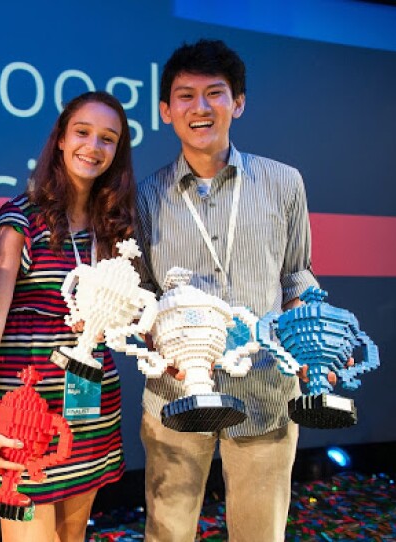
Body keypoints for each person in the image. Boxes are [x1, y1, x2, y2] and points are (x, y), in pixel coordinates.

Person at [135, 39, 318, 541]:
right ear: (165, 110)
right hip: (175, 393)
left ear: (237, 103)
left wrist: (307, 337)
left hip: (264, 388)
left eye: (214, 93)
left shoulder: (284, 183)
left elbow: (296, 276)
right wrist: (159, 343)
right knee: (167, 530)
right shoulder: (145, 197)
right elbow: (143, 293)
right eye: (186, 95)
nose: (200, 107)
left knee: (260, 533)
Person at [0, 91, 137, 542]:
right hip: (25, 415)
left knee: (72, 536)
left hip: (90, 411)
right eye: (82, 132)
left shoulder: (113, 227)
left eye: (108, 139)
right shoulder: (20, 219)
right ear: (60, 139)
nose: (93, 146)